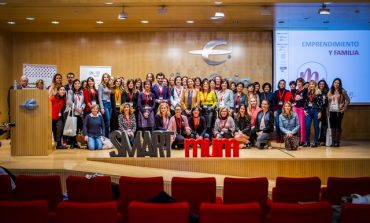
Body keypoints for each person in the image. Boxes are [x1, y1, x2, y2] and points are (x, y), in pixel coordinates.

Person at [327, 78, 350, 147]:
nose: (336, 84)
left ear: (340, 84)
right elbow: (328, 100)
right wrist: (327, 110)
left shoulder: (342, 91)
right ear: (333, 83)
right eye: (335, 82)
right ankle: (333, 142)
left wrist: (343, 108)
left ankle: (337, 142)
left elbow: (348, 100)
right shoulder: (330, 91)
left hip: (339, 111)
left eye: (338, 83)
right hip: (331, 111)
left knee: (338, 126)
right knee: (332, 126)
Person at [66, 79, 85, 148]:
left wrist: (82, 108)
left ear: (80, 85)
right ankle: (72, 143)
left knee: (77, 128)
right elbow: (69, 101)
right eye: (75, 83)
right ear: (73, 85)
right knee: (72, 128)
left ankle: (76, 142)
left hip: (80, 113)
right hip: (73, 112)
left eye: (78, 83)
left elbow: (84, 102)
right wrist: (76, 108)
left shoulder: (82, 92)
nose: (77, 85)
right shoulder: (70, 91)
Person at [304, 80, 323, 148]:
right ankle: (307, 141)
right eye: (310, 84)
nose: (311, 85)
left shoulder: (319, 92)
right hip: (308, 110)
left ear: (315, 85)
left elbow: (321, 103)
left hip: (316, 110)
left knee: (316, 127)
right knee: (307, 126)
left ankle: (316, 142)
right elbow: (305, 102)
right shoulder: (308, 93)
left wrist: (320, 112)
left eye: (313, 84)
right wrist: (304, 110)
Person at [292, 78, 308, 145]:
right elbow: (295, 100)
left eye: (300, 82)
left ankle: (302, 140)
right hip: (295, 108)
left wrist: (304, 109)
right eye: (297, 82)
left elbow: (305, 99)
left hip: (301, 108)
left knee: (302, 125)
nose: (298, 83)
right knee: (296, 125)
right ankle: (297, 140)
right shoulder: (296, 91)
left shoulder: (305, 90)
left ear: (302, 83)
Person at [98, 73, 112, 138]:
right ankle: (106, 136)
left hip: (109, 104)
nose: (106, 78)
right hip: (104, 103)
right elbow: (99, 97)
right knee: (107, 120)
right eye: (104, 77)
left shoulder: (109, 86)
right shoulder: (101, 85)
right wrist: (102, 107)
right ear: (103, 78)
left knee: (108, 121)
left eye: (107, 77)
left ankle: (106, 135)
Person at [318, 79, 329, 146]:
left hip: (324, 110)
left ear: (324, 85)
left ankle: (323, 140)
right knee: (318, 126)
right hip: (318, 110)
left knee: (324, 126)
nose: (321, 85)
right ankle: (319, 139)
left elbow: (328, 103)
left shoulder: (327, 92)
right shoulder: (317, 92)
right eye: (320, 84)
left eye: (323, 84)